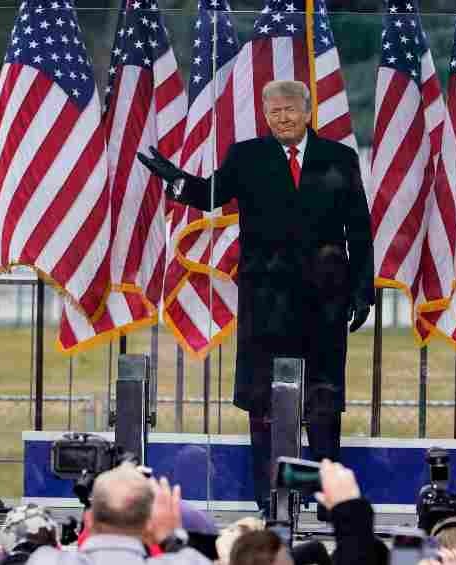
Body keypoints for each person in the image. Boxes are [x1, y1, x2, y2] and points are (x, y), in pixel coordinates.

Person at [138, 79, 374, 517]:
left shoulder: (339, 158)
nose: (282, 118)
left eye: (290, 110)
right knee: (263, 402)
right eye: (274, 112)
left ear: (308, 112)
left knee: (323, 403)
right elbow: (211, 195)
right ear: (265, 116)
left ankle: (329, 500)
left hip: (324, 304)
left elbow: (358, 229)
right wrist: (177, 182)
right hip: (265, 304)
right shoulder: (247, 156)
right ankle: (271, 499)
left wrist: (363, 291)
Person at [27, 463, 210, 565]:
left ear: (89, 520)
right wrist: (171, 538)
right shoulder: (190, 561)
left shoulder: (45, 560)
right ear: (150, 525)